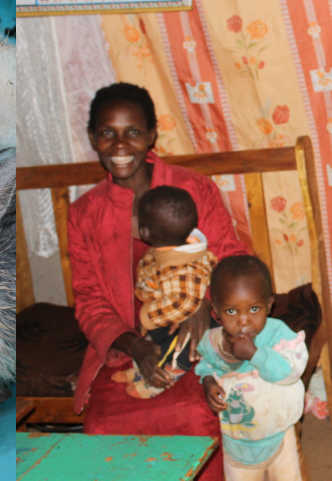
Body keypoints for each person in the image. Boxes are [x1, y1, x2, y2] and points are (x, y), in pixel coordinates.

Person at [66, 83, 247, 481]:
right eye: (106, 132)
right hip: (124, 350)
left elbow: (234, 259)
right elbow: (90, 301)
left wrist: (203, 307)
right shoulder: (85, 214)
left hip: (196, 339)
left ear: (151, 136)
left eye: (132, 132)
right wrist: (136, 346)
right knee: (102, 433)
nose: (119, 144)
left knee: (200, 422)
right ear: (92, 137)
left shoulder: (193, 189)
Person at [196, 255, 306, 481]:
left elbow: (290, 372)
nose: (244, 321)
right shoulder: (216, 342)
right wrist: (207, 380)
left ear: (269, 304)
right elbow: (206, 363)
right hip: (237, 439)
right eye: (231, 311)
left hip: (279, 435)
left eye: (254, 309)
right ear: (216, 310)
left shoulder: (280, 336)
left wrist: (255, 354)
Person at [115, 185, 217, 398]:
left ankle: (167, 374)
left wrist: (149, 317)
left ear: (144, 232)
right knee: (154, 338)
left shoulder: (182, 268)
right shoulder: (168, 249)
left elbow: (186, 302)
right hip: (170, 313)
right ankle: (138, 370)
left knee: (180, 343)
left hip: (189, 321)